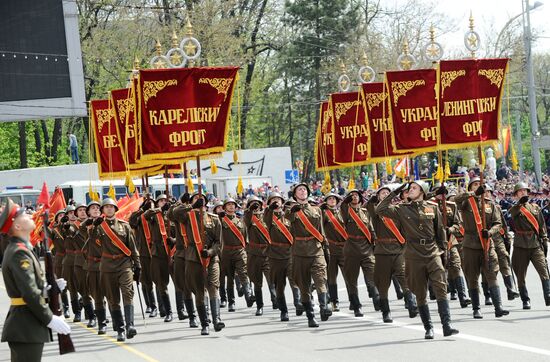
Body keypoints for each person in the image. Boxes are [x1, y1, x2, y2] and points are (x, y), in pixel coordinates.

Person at [377, 181, 458, 339]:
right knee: (420, 293)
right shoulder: (402, 208)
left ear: (422, 191)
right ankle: (428, 327)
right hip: (414, 254)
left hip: (432, 251)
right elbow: (381, 209)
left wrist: (444, 253)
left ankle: (447, 325)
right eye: (408, 189)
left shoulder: (432, 207)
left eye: (413, 188)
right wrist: (395, 192)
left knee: (441, 287)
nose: (409, 191)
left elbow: (440, 231)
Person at [1, 198, 71, 361]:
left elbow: (29, 287)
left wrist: (48, 289)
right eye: (23, 215)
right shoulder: (19, 253)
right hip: (25, 325)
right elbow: (29, 293)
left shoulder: (22, 249)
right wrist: (49, 318)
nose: (30, 215)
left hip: (27, 324)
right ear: (17, 226)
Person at [454, 177, 509, 319]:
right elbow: (455, 199)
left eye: (480, 185)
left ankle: (499, 307)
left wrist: (490, 232)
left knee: (492, 274)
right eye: (475, 185)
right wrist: (473, 194)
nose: (478, 186)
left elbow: (498, 223)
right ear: (471, 187)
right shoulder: (466, 203)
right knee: (472, 277)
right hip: (470, 245)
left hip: (487, 244)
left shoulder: (490, 204)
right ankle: (476, 308)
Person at [286, 183, 331, 328]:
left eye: (305, 189)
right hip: (299, 252)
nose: (303, 191)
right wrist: (292, 211)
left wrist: (326, 248)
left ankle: (324, 307)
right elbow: (286, 219)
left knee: (320, 279)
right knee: (304, 286)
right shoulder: (290, 211)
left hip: (316, 249)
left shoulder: (316, 210)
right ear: (295, 195)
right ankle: (310, 315)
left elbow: (321, 231)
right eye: (299, 189)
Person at [96, 198, 140, 342]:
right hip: (107, 266)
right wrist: (92, 228)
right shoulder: (98, 227)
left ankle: (130, 326)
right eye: (106, 207)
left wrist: (137, 265)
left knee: (128, 293)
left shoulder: (124, 226)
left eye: (111, 207)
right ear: (103, 210)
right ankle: (120, 329)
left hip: (124, 263)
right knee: (113, 299)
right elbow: (90, 244)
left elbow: (132, 248)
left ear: (115, 209)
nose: (109, 209)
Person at [509, 182, 550, 309]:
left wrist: (544, 240)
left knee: (544, 271)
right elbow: (514, 214)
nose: (523, 193)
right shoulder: (514, 208)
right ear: (515, 195)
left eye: (524, 191)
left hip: (535, 243)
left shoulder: (535, 207)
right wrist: (520, 203)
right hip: (520, 244)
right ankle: (525, 299)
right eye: (520, 191)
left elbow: (541, 225)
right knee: (520, 274)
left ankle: (548, 296)